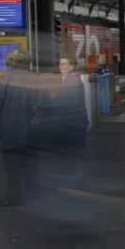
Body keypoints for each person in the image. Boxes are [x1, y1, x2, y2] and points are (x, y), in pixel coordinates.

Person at [0, 50, 41, 207]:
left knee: (13, 166)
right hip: (33, 130)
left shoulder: (3, 79)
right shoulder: (36, 78)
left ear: (9, 62)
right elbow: (42, 105)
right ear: (27, 61)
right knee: (32, 163)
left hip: (10, 130)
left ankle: (15, 198)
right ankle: (34, 194)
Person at [38, 54, 89, 190]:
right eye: (60, 64)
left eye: (65, 64)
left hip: (72, 122)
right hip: (73, 121)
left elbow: (66, 102)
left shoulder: (72, 80)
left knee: (74, 149)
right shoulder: (66, 79)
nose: (61, 66)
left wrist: (50, 98)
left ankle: (76, 178)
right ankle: (76, 175)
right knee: (73, 149)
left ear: (71, 66)